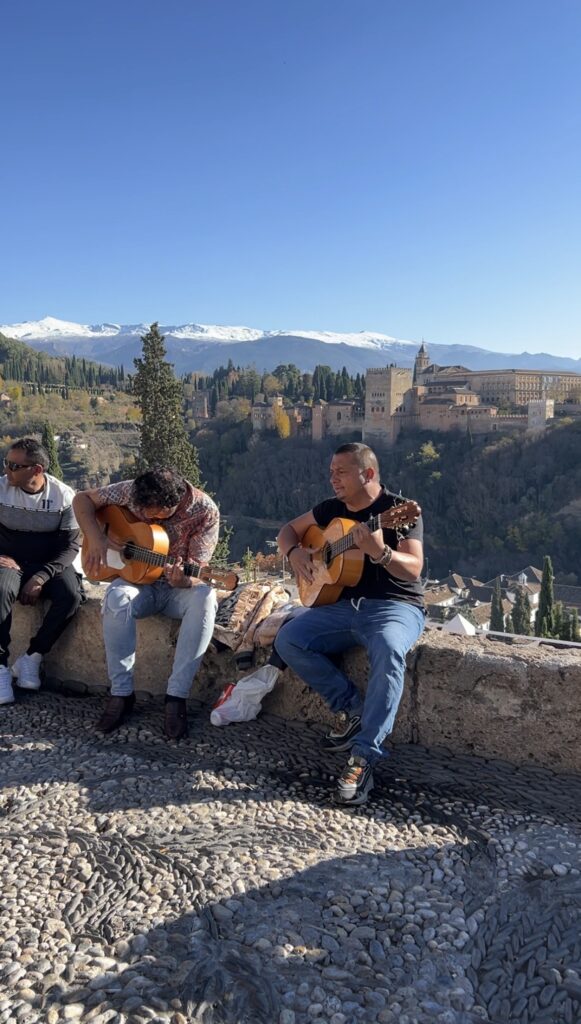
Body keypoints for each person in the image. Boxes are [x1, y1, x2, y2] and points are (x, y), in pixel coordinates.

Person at [274, 442, 425, 806]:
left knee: (389, 650)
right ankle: (351, 709)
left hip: (395, 605)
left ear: (368, 474)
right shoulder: (331, 510)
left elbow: (415, 568)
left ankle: (364, 756)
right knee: (289, 638)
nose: (332, 479)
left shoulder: (397, 511)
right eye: (331, 472)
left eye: (340, 472)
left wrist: (381, 552)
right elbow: (286, 533)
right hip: (343, 607)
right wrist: (296, 554)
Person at [73, 466, 219, 740]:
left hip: (177, 590)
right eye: (140, 509)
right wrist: (96, 538)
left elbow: (198, 569)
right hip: (138, 584)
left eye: (150, 512)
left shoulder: (205, 511)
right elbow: (82, 500)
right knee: (116, 597)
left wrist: (184, 581)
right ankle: (121, 694)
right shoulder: (133, 490)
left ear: (170, 506)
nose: (141, 514)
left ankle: (176, 698)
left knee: (206, 597)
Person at [0, 437, 83, 705]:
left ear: (36, 470)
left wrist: (41, 576)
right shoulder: (1, 489)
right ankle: (1, 667)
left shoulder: (63, 497)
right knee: (1, 591)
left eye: (14, 465)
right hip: (10, 560)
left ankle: (32, 657)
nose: (6, 470)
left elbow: (71, 547)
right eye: (6, 463)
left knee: (71, 595)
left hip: (49, 563)